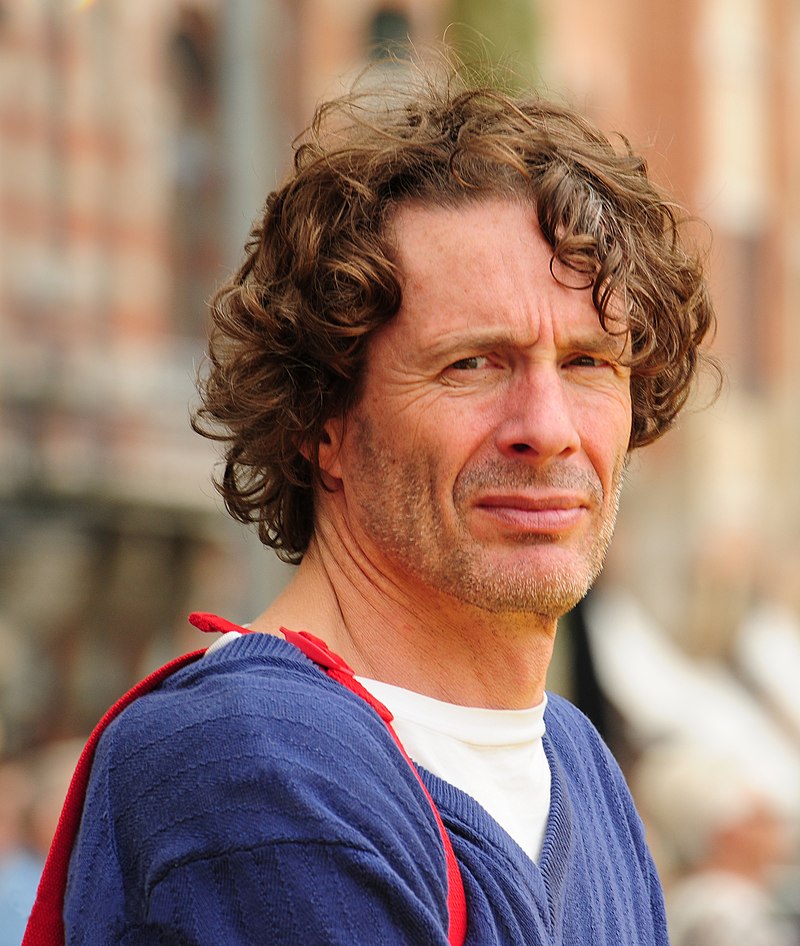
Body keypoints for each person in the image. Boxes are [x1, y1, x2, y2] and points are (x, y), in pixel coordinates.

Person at [34, 66, 716, 945]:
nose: (548, 430)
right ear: (321, 421)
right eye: (473, 364)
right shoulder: (255, 763)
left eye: (589, 363)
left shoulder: (576, 764)